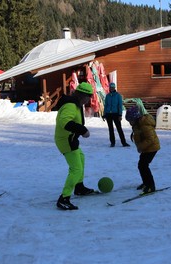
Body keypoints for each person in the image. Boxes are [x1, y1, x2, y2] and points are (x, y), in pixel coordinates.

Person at [55, 82, 95, 210]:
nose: (89, 99)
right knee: (76, 169)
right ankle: (64, 198)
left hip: (70, 139)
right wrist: (82, 130)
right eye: (88, 96)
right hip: (65, 140)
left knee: (81, 158)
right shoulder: (71, 105)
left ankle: (79, 187)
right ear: (81, 95)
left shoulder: (76, 104)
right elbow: (64, 122)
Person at [125, 105, 160, 195]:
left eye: (130, 121)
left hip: (152, 148)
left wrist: (141, 146)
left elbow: (150, 139)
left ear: (135, 118)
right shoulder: (137, 124)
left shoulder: (145, 125)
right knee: (141, 165)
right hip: (147, 148)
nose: (130, 123)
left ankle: (151, 186)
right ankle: (146, 183)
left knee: (143, 166)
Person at [103, 82, 130, 147]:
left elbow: (120, 106)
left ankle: (124, 142)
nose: (111, 88)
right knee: (110, 129)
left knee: (119, 129)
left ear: (114, 88)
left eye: (113, 87)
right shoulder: (107, 96)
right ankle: (112, 142)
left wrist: (120, 115)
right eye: (110, 87)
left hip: (116, 114)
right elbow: (106, 105)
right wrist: (104, 114)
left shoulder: (118, 96)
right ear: (109, 88)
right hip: (109, 114)